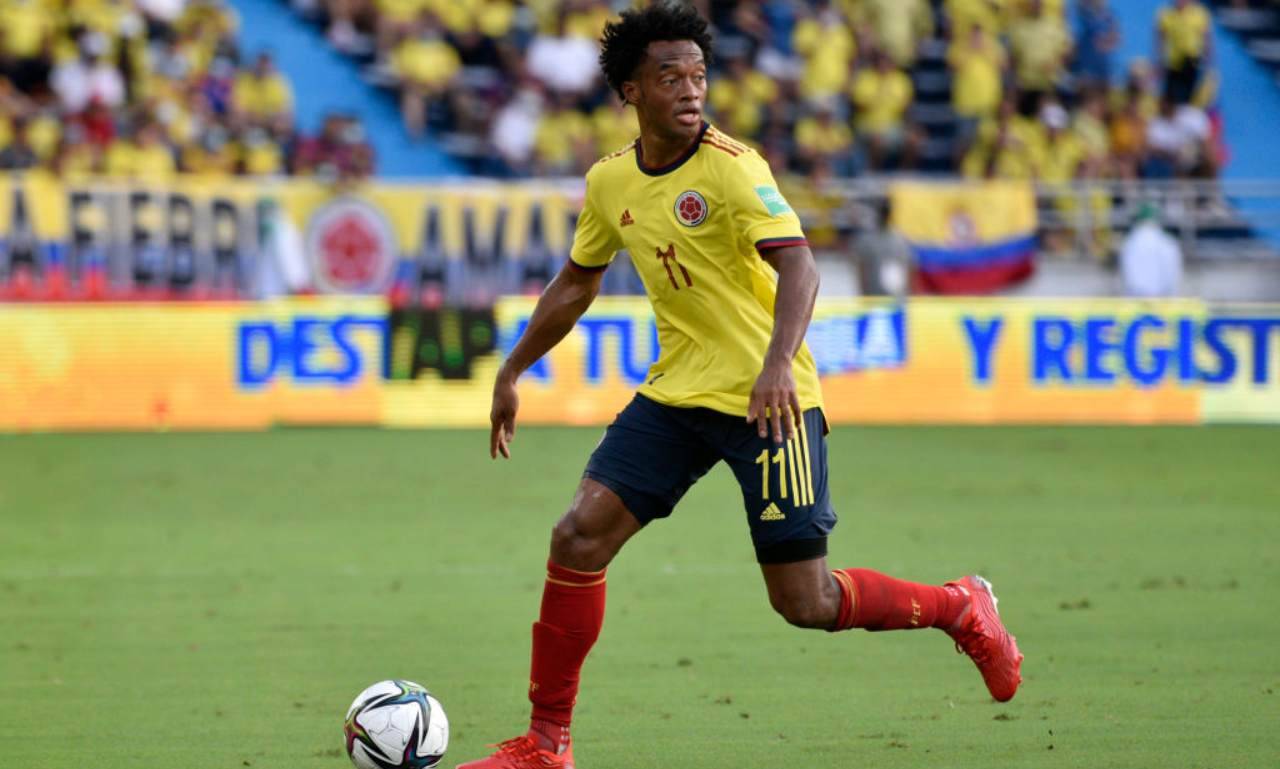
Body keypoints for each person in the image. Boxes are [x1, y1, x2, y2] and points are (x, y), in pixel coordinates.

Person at [460, 5, 1023, 768]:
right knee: (576, 535)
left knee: (806, 602)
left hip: (771, 402)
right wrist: (512, 366)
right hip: (677, 395)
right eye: (671, 78)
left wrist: (777, 362)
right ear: (631, 90)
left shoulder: (733, 166)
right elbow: (576, 281)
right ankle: (546, 742)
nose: (692, 90)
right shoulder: (610, 181)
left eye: (699, 75)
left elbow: (801, 264)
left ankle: (960, 606)